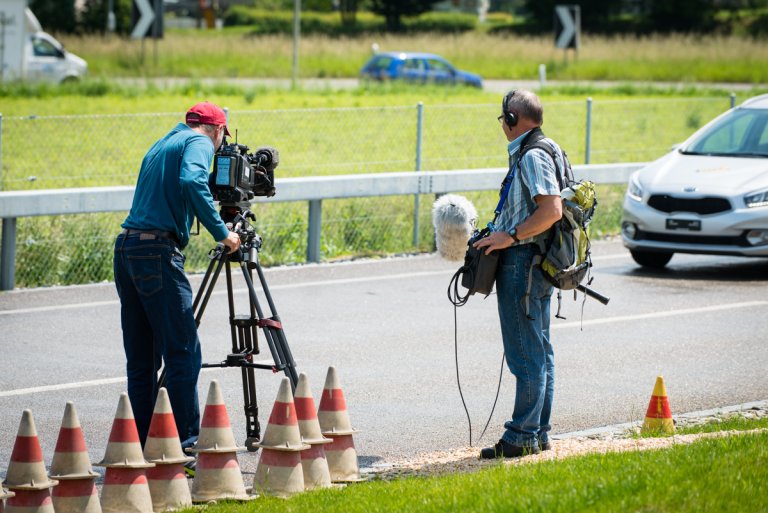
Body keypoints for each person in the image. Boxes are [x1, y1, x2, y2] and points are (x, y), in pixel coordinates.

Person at [113, 101, 241, 449]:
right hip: (157, 252)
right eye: (221, 139)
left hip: (127, 248)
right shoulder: (199, 143)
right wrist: (222, 232)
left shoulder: (164, 142)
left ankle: (142, 444)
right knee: (183, 351)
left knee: (142, 360)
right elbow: (191, 180)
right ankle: (185, 443)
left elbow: (177, 184)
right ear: (217, 130)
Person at [474, 90, 565, 458]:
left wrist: (508, 235)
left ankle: (520, 436)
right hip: (537, 262)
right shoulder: (551, 147)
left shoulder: (531, 156)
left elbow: (551, 210)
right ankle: (538, 433)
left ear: (512, 119)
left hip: (522, 263)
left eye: (503, 120)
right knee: (540, 351)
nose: (503, 127)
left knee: (525, 354)